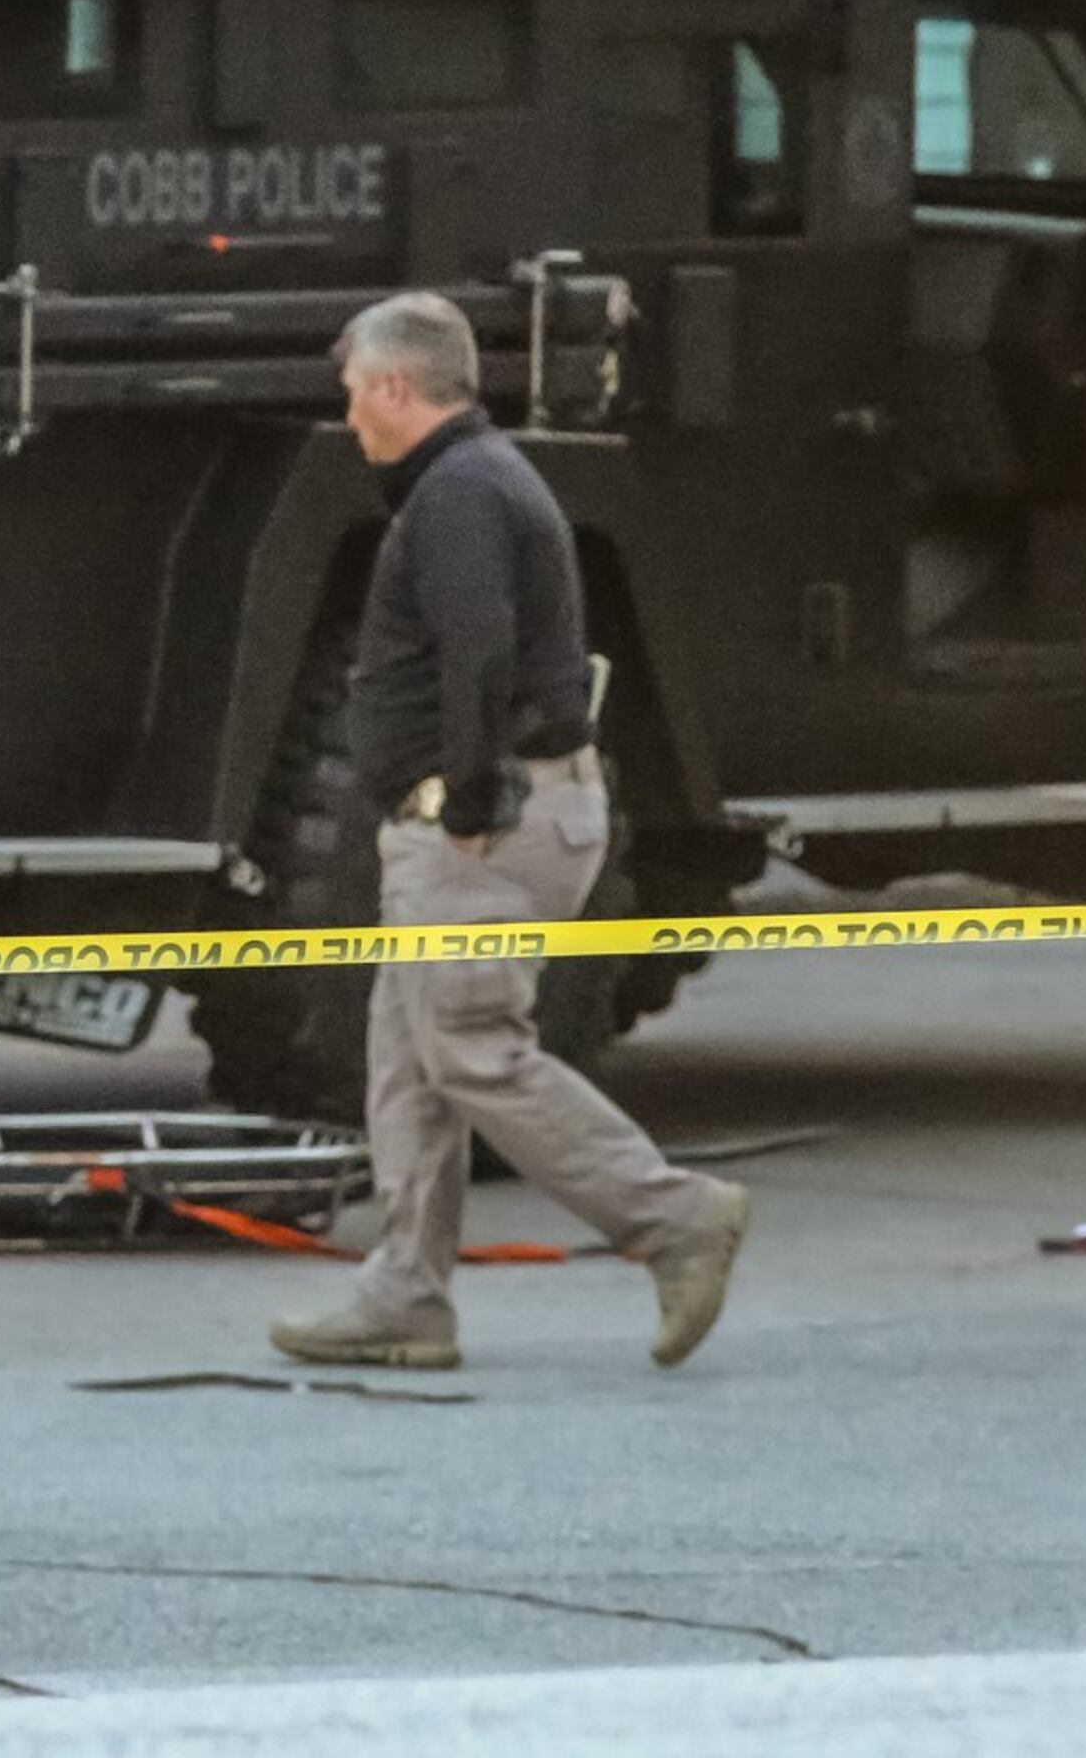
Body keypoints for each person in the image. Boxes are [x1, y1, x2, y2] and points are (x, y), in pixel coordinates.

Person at [268, 294, 751, 1374]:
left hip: (481, 830)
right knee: (407, 1066)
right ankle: (406, 1296)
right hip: (469, 824)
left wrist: (475, 796)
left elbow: (478, 647)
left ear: (397, 387)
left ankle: (674, 1219)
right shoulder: (472, 482)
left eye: (355, 397)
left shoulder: (459, 498)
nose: (349, 419)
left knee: (474, 1054)